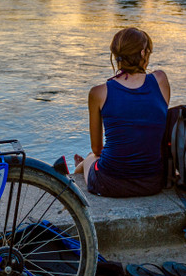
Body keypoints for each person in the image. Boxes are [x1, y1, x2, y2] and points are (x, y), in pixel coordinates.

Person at [73, 27, 171, 197]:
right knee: (95, 158)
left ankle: (77, 171)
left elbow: (97, 148)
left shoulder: (98, 93)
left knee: (91, 156)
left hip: (110, 184)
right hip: (152, 182)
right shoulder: (160, 80)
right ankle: (83, 166)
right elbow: (152, 126)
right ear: (142, 53)